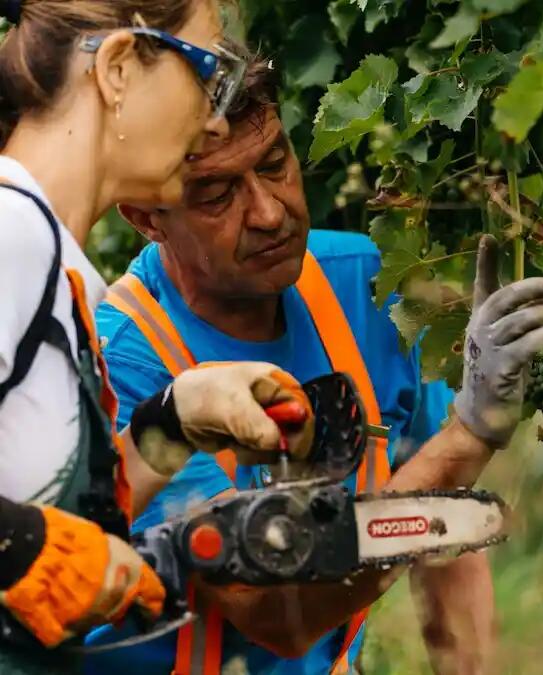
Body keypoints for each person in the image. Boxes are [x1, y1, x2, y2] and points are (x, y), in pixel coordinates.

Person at [82, 51, 543, 674]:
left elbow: (446, 526)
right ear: (145, 215)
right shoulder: (122, 361)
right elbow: (277, 616)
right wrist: (469, 435)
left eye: (275, 164)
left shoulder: (364, 286)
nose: (269, 212)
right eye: (217, 194)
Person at [0, 1, 316, 672]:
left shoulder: (54, 260)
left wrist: (174, 421)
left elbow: (52, 505)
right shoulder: (10, 237)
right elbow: (42, 544)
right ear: (117, 70)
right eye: (206, 70)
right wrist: (26, 548)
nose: (213, 116)